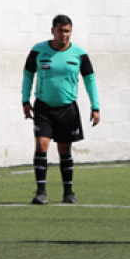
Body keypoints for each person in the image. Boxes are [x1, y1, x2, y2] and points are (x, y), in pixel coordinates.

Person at [22, 15, 100, 205]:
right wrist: (25, 100)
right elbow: (28, 74)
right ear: (53, 31)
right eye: (60, 30)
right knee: (41, 146)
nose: (63, 34)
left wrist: (95, 106)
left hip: (68, 109)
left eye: (67, 31)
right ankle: (41, 193)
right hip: (43, 107)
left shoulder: (79, 54)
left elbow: (90, 80)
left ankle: (68, 193)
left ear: (71, 32)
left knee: (64, 149)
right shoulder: (38, 50)